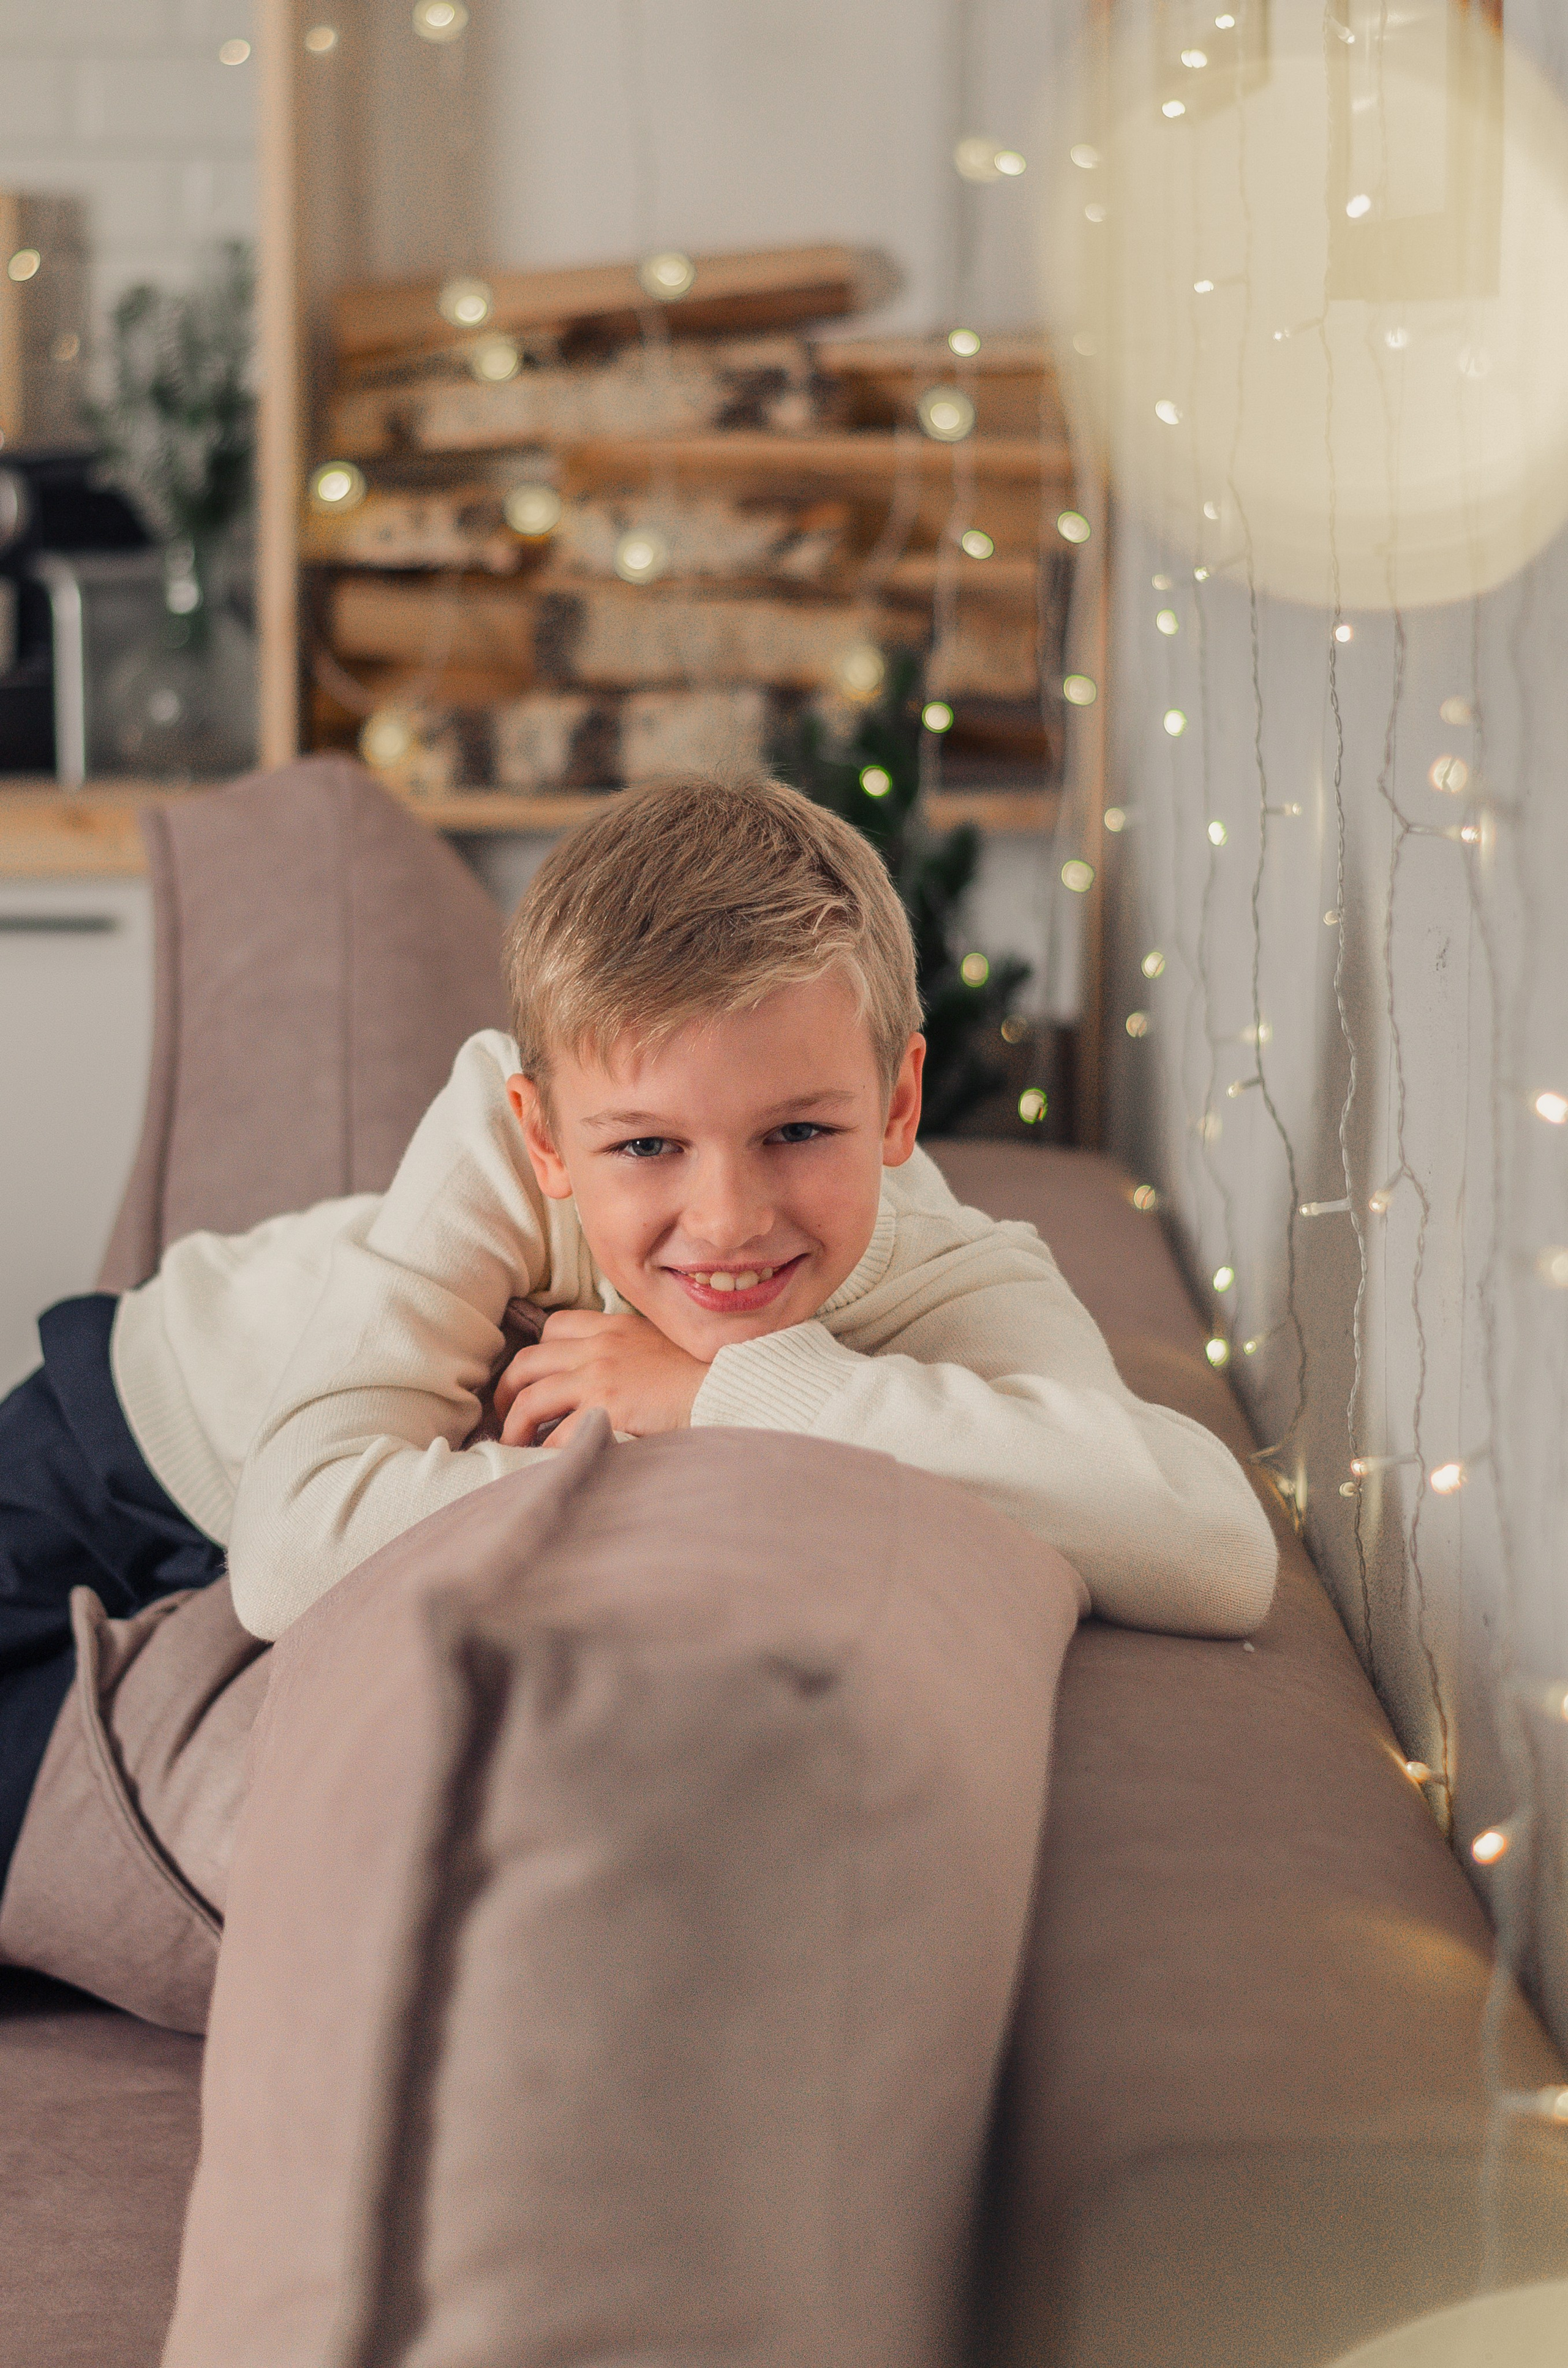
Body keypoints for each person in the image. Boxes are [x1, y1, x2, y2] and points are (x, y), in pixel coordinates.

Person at [0, 777, 1278, 1902]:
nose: (726, 1219)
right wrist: (695, 1441)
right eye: (645, 1145)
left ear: (895, 1104)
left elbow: (1212, 1545)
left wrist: (720, 1393)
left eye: (797, 1132)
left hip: (230, 1560)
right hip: (120, 1434)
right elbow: (294, 1552)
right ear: (547, 1133)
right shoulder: (496, 1148)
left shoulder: (953, 1270)